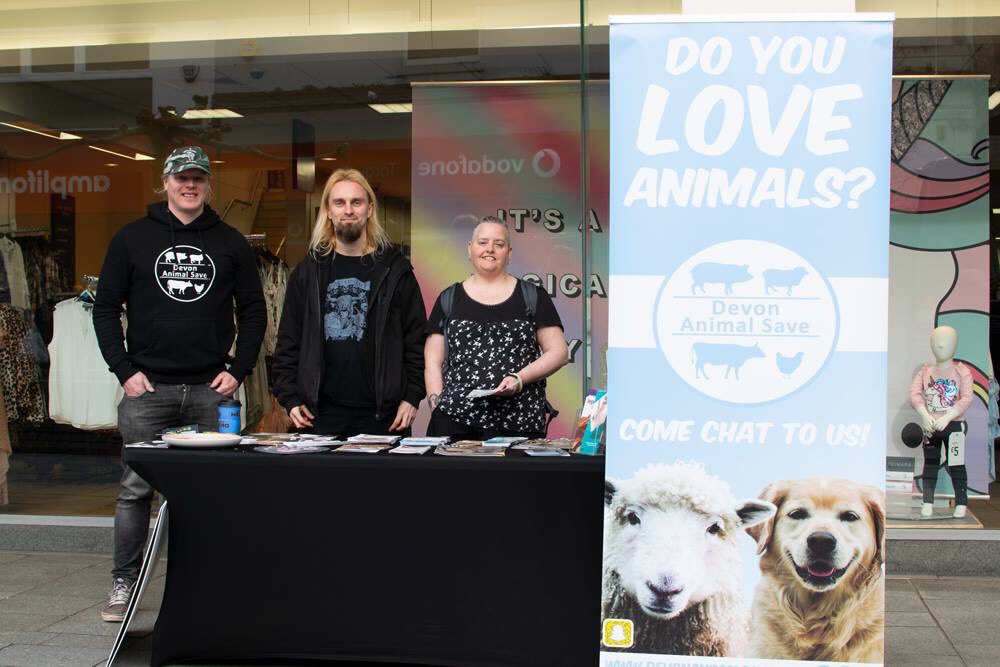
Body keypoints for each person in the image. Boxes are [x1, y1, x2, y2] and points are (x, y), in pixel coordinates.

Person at [93, 146, 266, 621]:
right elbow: (106, 307)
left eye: (198, 179)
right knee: (134, 491)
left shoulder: (230, 242)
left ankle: (214, 584)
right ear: (165, 182)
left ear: (209, 185)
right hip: (149, 392)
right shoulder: (131, 239)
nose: (189, 185)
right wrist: (124, 372)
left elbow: (254, 311)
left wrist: (240, 368)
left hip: (213, 392)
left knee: (214, 492)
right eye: (181, 178)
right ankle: (123, 584)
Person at [272, 168, 426, 436]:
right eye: (339, 203)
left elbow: (416, 340)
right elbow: (288, 340)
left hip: (383, 416)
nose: (348, 210)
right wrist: (290, 397)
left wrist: (412, 396)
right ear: (328, 211)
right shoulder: (308, 272)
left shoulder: (395, 271)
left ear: (369, 209)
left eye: (357, 202)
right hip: (319, 415)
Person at [424, 216, 568, 440]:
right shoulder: (448, 298)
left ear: (509, 253)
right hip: (455, 424)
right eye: (482, 242)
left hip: (520, 424)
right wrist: (437, 405)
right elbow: (432, 360)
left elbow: (559, 352)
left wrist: (519, 378)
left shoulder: (532, 296)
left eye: (498, 244)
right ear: (469, 249)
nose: (489, 249)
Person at [909, 325, 973, 518]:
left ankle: (961, 502)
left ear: (955, 344)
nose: (941, 345)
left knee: (956, 465)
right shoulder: (925, 371)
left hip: (953, 426)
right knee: (930, 464)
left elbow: (967, 398)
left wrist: (948, 416)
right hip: (931, 426)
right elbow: (914, 393)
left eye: (946, 341)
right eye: (936, 341)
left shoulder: (962, 371)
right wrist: (924, 414)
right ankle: (927, 501)